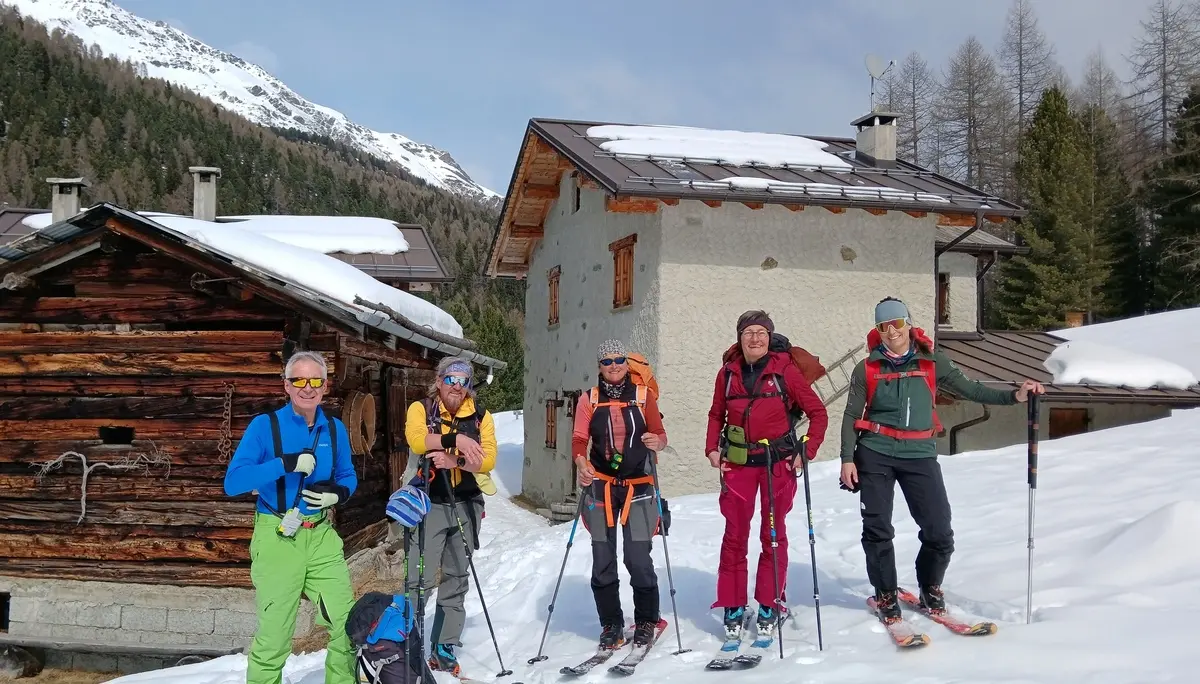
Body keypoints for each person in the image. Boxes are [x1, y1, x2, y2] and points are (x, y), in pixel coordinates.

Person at [839, 297, 1045, 622]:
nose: (891, 331)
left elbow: (972, 390)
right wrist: (847, 459)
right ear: (877, 330)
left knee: (939, 531)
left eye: (897, 323)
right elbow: (852, 414)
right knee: (877, 529)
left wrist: (1014, 396)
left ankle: (930, 586)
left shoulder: (932, 362)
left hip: (919, 454)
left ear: (908, 323)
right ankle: (885, 594)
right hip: (875, 453)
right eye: (884, 326)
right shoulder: (866, 369)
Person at [223, 350, 358, 684]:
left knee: (346, 624)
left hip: (322, 536)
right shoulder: (265, 426)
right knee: (275, 635)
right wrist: (285, 464)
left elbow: (348, 476)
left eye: (316, 380)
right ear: (286, 384)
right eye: (299, 379)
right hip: (277, 536)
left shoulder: (335, 429)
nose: (307, 387)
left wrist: (337, 495)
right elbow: (234, 483)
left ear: (326, 386)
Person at [705, 310, 829, 642]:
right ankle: (732, 603)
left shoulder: (784, 371)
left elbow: (817, 413)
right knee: (734, 535)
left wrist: (807, 450)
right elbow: (716, 413)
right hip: (739, 464)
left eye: (761, 332)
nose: (755, 338)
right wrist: (712, 449)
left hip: (777, 465)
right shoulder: (727, 374)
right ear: (739, 337)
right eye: (748, 333)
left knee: (772, 535)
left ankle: (769, 602)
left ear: (769, 337)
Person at [402, 356, 498, 676]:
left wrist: (453, 461)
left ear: (470, 385)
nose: (457, 387)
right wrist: (455, 441)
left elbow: (487, 461)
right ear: (440, 380)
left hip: (467, 503)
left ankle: (443, 646)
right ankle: (406, 641)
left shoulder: (481, 416)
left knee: (457, 577)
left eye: (464, 381)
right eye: (451, 379)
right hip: (429, 503)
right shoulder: (423, 409)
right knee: (421, 579)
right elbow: (416, 439)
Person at [573, 339, 669, 651]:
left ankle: (646, 621)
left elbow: (660, 434)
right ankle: (611, 624)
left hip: (639, 486)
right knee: (602, 558)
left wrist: (658, 442)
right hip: (600, 487)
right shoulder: (589, 399)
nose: (613, 366)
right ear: (598, 366)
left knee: (638, 557)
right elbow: (578, 439)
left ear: (627, 364)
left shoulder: (643, 396)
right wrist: (581, 463)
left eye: (618, 360)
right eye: (606, 361)